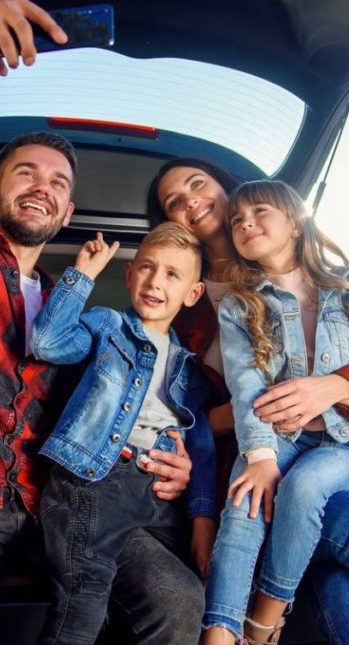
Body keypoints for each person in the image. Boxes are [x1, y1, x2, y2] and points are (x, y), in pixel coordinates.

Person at [0, 0, 200, 644]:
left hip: (57, 508)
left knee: (179, 601)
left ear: (68, 206)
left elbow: (110, 413)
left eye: (57, 181)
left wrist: (174, 457)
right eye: (26, 171)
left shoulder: (72, 311)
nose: (42, 185)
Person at [147, 159, 349, 644]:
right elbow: (186, 411)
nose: (191, 201)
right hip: (254, 455)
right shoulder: (184, 307)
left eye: (198, 185)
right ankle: (230, 631)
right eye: (175, 202)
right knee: (321, 532)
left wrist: (341, 385)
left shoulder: (341, 288)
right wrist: (218, 489)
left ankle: (260, 625)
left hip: (331, 457)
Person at [30, 224, 217, 644]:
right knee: (81, 612)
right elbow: (47, 343)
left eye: (173, 274)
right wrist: (83, 275)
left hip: (157, 504)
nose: (155, 281)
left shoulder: (190, 370)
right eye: (147, 268)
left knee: (185, 601)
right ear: (130, 275)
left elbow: (201, 450)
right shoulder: (107, 326)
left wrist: (202, 519)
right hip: (94, 482)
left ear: (193, 293)